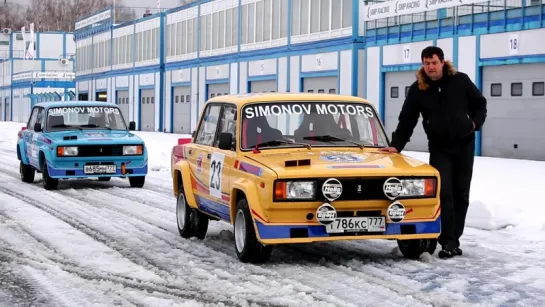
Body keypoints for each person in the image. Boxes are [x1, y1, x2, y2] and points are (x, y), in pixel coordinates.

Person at [379, 46, 487, 259]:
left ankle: (454, 239)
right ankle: (447, 241)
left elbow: (480, 103)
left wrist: (474, 123)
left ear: (442, 62)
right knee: (444, 191)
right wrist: (396, 145)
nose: (430, 67)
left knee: (461, 192)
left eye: (434, 63)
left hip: (464, 144)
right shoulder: (419, 88)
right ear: (423, 64)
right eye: (426, 63)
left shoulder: (460, 81)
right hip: (440, 148)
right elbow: (407, 119)